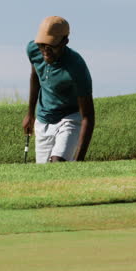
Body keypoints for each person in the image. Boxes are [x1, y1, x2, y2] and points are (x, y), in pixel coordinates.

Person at [23, 15, 94, 163]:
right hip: (43, 119)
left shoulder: (77, 67)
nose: (45, 50)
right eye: (42, 44)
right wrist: (30, 113)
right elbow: (36, 77)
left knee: (57, 162)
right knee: (45, 175)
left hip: (69, 118)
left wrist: (78, 160)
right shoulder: (33, 50)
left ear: (65, 41)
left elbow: (88, 116)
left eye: (51, 45)